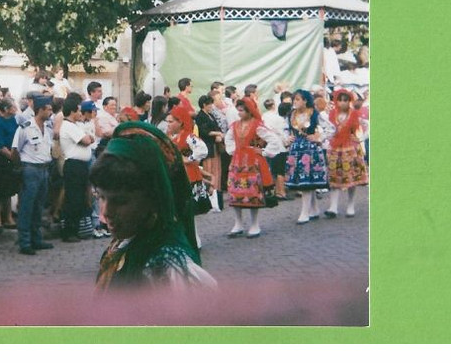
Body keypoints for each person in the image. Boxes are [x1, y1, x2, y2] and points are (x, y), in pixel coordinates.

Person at [89, 122, 215, 290]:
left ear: (153, 199)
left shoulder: (167, 270)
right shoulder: (127, 242)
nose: (105, 214)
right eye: (101, 197)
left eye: (120, 202)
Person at [225, 96, 275, 238]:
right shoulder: (235, 125)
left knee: (253, 193)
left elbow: (272, 139)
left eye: (242, 110)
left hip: (252, 163)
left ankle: (254, 224)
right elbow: (228, 138)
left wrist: (263, 151)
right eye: (238, 110)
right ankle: (238, 223)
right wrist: (233, 150)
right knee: (235, 193)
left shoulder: (257, 125)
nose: (239, 113)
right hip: (237, 163)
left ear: (249, 111)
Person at [13, 94, 55, 254]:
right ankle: (24, 242)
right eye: (49, 109)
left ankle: (36, 239)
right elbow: (15, 150)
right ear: (40, 110)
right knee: (27, 206)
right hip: (30, 169)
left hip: (44, 168)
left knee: (38, 206)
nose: (51, 112)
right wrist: (21, 167)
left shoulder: (48, 129)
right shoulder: (25, 127)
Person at [285, 89, 331, 223]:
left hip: (310, 150)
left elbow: (330, 128)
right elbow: (286, 130)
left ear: (305, 100)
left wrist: (319, 137)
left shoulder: (314, 114)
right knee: (304, 180)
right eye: (294, 99)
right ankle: (314, 209)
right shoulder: (291, 115)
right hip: (296, 150)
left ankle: (304, 213)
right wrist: (288, 139)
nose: (295, 102)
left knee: (306, 182)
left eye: (298, 99)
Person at [325, 88, 368, 218]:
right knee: (334, 176)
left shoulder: (354, 114)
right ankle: (333, 207)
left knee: (351, 177)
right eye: (340, 100)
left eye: (345, 100)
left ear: (349, 101)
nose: (342, 103)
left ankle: (350, 205)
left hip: (350, 148)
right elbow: (327, 129)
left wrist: (361, 138)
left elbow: (366, 124)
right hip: (335, 148)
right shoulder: (332, 114)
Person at [59, 93, 95, 242]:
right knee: (73, 198)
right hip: (74, 165)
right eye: (78, 111)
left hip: (81, 165)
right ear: (72, 112)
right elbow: (86, 140)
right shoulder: (68, 126)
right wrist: (89, 138)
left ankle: (76, 229)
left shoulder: (75, 125)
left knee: (80, 198)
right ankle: (69, 231)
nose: (81, 113)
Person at [0, 97, 20, 232]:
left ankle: (8, 217)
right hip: (1, 159)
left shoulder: (13, 120)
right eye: (13, 107)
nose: (15, 109)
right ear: (6, 109)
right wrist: (12, 157)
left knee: (9, 190)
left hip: (12, 156)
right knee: (0, 190)